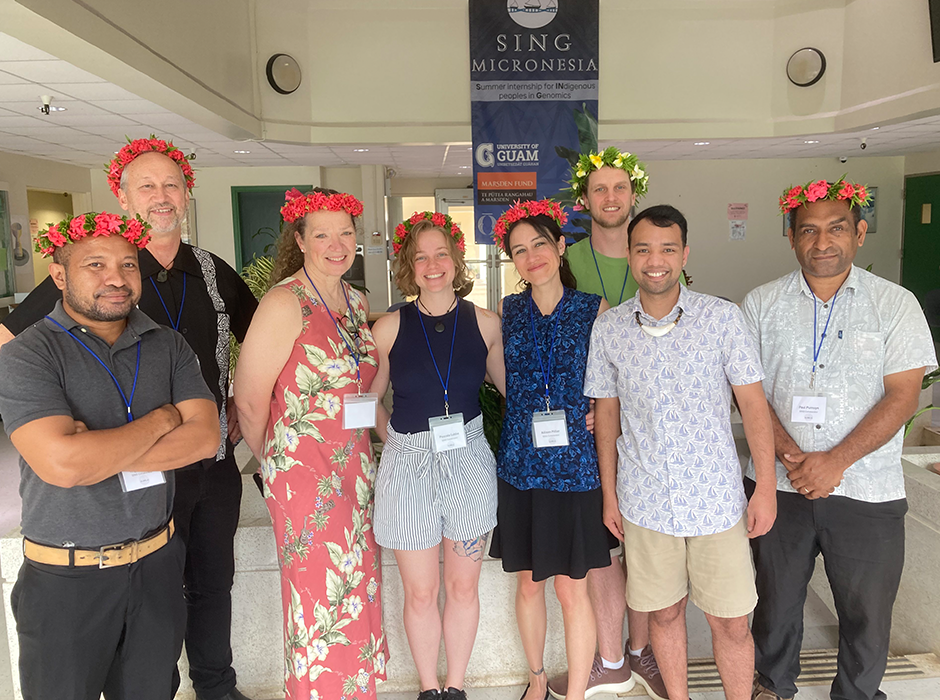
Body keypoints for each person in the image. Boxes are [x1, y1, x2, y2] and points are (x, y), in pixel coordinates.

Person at [0, 137, 258, 700]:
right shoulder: (92, 265)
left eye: (171, 184)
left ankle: (216, 687)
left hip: (205, 459)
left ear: (186, 194)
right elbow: (9, 341)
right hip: (122, 491)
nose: (161, 196)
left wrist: (241, 398)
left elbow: (260, 344)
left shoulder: (213, 273)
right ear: (122, 196)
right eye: (147, 185)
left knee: (209, 583)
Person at [743, 179, 937, 700]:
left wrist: (835, 461)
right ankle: (772, 686)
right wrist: (792, 458)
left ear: (860, 233)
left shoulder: (895, 305)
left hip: (868, 489)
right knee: (775, 601)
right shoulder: (760, 305)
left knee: (867, 610)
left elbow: (903, 396)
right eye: (808, 231)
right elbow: (748, 394)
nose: (822, 242)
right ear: (791, 238)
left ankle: (857, 694)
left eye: (836, 229)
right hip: (779, 488)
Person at [584, 205, 778, 700]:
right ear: (630, 255)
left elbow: (754, 406)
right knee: (665, 613)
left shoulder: (722, 318)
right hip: (646, 500)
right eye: (644, 248)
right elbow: (606, 417)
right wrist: (610, 496)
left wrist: (767, 489)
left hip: (715, 500)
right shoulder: (609, 330)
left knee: (732, 623)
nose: (656, 260)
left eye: (668, 249)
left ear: (684, 254)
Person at [234, 187, 388, 700]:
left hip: (355, 469)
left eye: (345, 233)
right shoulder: (285, 302)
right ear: (299, 240)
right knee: (319, 603)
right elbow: (250, 401)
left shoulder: (355, 299)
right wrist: (278, 462)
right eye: (321, 234)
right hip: (304, 477)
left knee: (356, 590)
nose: (336, 244)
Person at [369, 211, 505, 700]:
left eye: (441, 254)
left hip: (468, 457)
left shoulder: (487, 324)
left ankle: (455, 687)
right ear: (409, 264)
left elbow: (514, 389)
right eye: (421, 256)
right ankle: (429, 689)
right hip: (408, 464)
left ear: (456, 259)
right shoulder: (388, 327)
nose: (432, 265)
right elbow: (369, 401)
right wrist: (398, 442)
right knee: (422, 592)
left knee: (464, 587)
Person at [489, 199, 616, 700]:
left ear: (560, 246)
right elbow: (502, 376)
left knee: (571, 587)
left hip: (577, 468)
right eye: (518, 250)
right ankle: (537, 680)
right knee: (528, 584)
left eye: (539, 244)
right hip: (521, 466)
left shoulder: (593, 310)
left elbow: (618, 380)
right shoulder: (509, 311)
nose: (531, 256)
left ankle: (579, 692)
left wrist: (610, 413)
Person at [553, 147, 667, 700]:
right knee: (603, 542)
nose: (611, 198)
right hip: (584, 422)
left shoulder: (655, 255)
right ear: (584, 200)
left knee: (645, 542)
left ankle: (644, 651)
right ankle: (611, 657)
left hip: (648, 425)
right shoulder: (566, 259)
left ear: (633, 195)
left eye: (619, 188)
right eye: (599, 189)